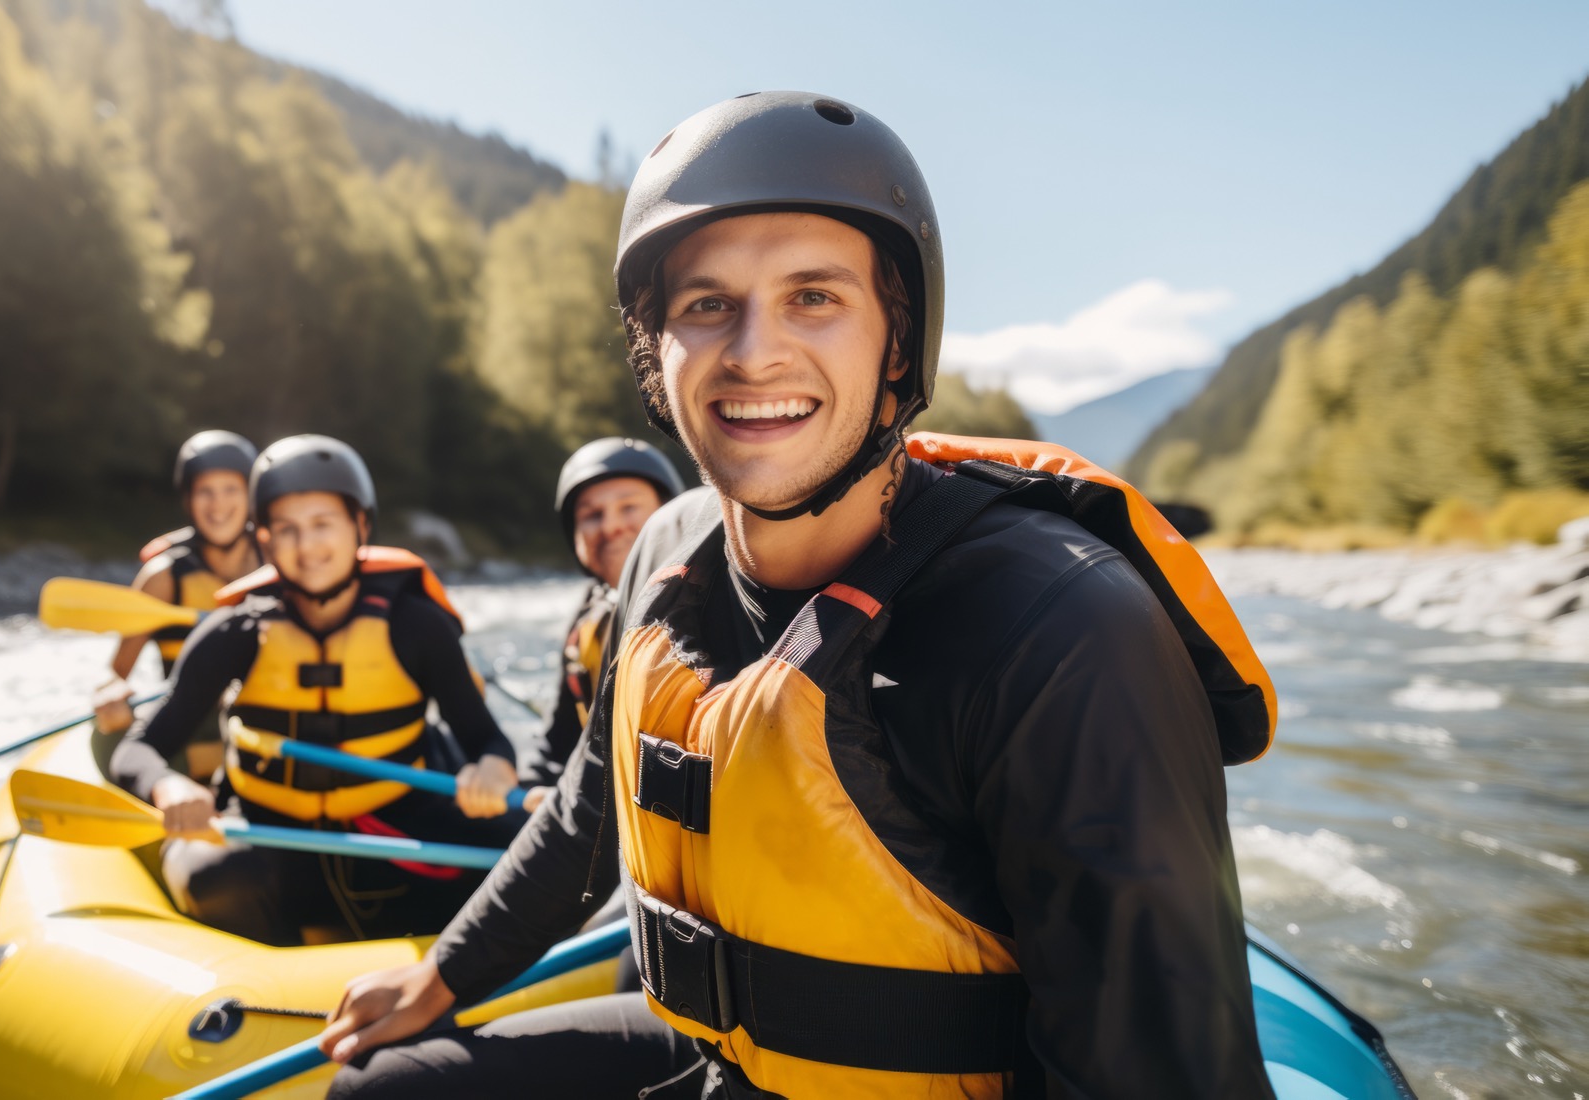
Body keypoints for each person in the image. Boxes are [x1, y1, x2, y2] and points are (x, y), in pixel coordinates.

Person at [316, 91, 1279, 1098]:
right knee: (380, 1088)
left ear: (896, 343)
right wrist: (442, 972)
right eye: (705, 304)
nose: (752, 351)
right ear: (657, 354)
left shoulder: (1063, 628)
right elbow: (585, 811)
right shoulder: (665, 552)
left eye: (813, 296)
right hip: (717, 1055)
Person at [109, 434, 529, 947]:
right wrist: (168, 786)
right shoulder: (236, 631)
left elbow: (486, 738)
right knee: (211, 877)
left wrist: (492, 767)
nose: (306, 547)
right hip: (269, 832)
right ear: (264, 540)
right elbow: (138, 749)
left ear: (361, 526)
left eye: (322, 524)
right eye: (286, 529)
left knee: (526, 851)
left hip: (394, 826)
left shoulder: (416, 625)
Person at [89, 430, 263, 781]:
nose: (218, 505)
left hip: (260, 722)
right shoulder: (163, 578)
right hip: (189, 727)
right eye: (205, 491)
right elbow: (116, 672)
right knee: (110, 737)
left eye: (231, 489)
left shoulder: (277, 560)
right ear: (188, 499)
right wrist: (111, 694)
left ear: (250, 495)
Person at [517, 437, 684, 798]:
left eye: (628, 508)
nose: (610, 527)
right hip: (587, 807)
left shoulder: (707, 610)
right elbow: (556, 738)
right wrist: (534, 784)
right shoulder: (589, 613)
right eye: (591, 515)